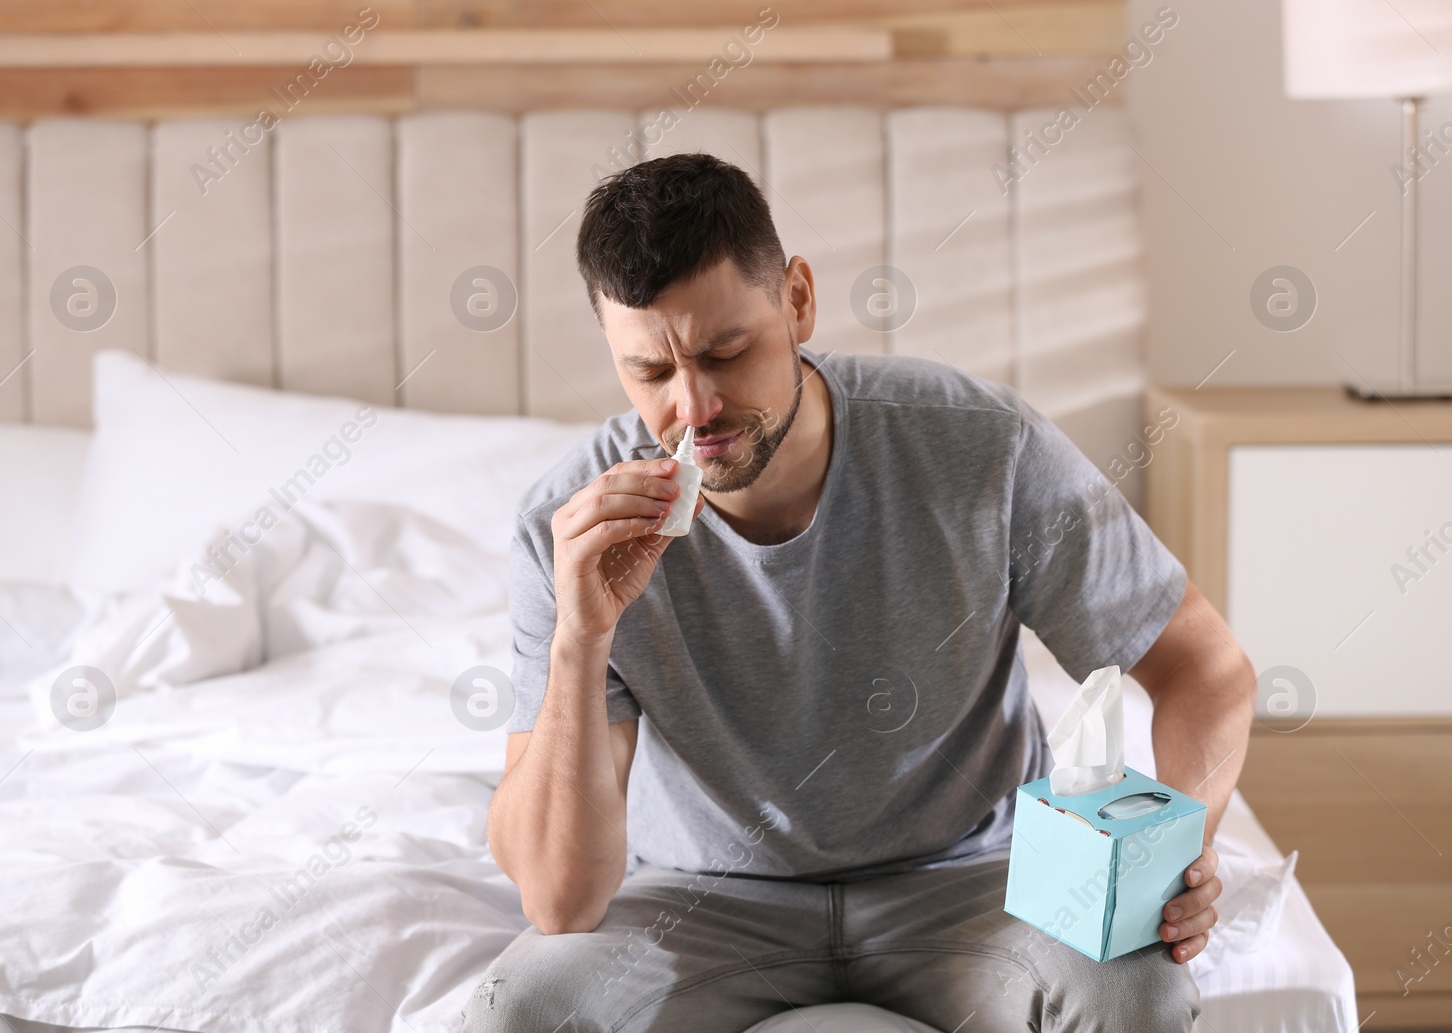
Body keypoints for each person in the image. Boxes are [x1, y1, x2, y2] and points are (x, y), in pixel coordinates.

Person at [463, 153, 1255, 1033]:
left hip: (976, 881)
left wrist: (1175, 855)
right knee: (518, 1010)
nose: (693, 407)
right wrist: (584, 634)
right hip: (697, 903)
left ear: (798, 299)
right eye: (650, 372)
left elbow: (1204, 668)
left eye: (728, 353)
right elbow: (560, 901)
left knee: (1136, 992)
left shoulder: (983, 449)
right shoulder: (564, 530)